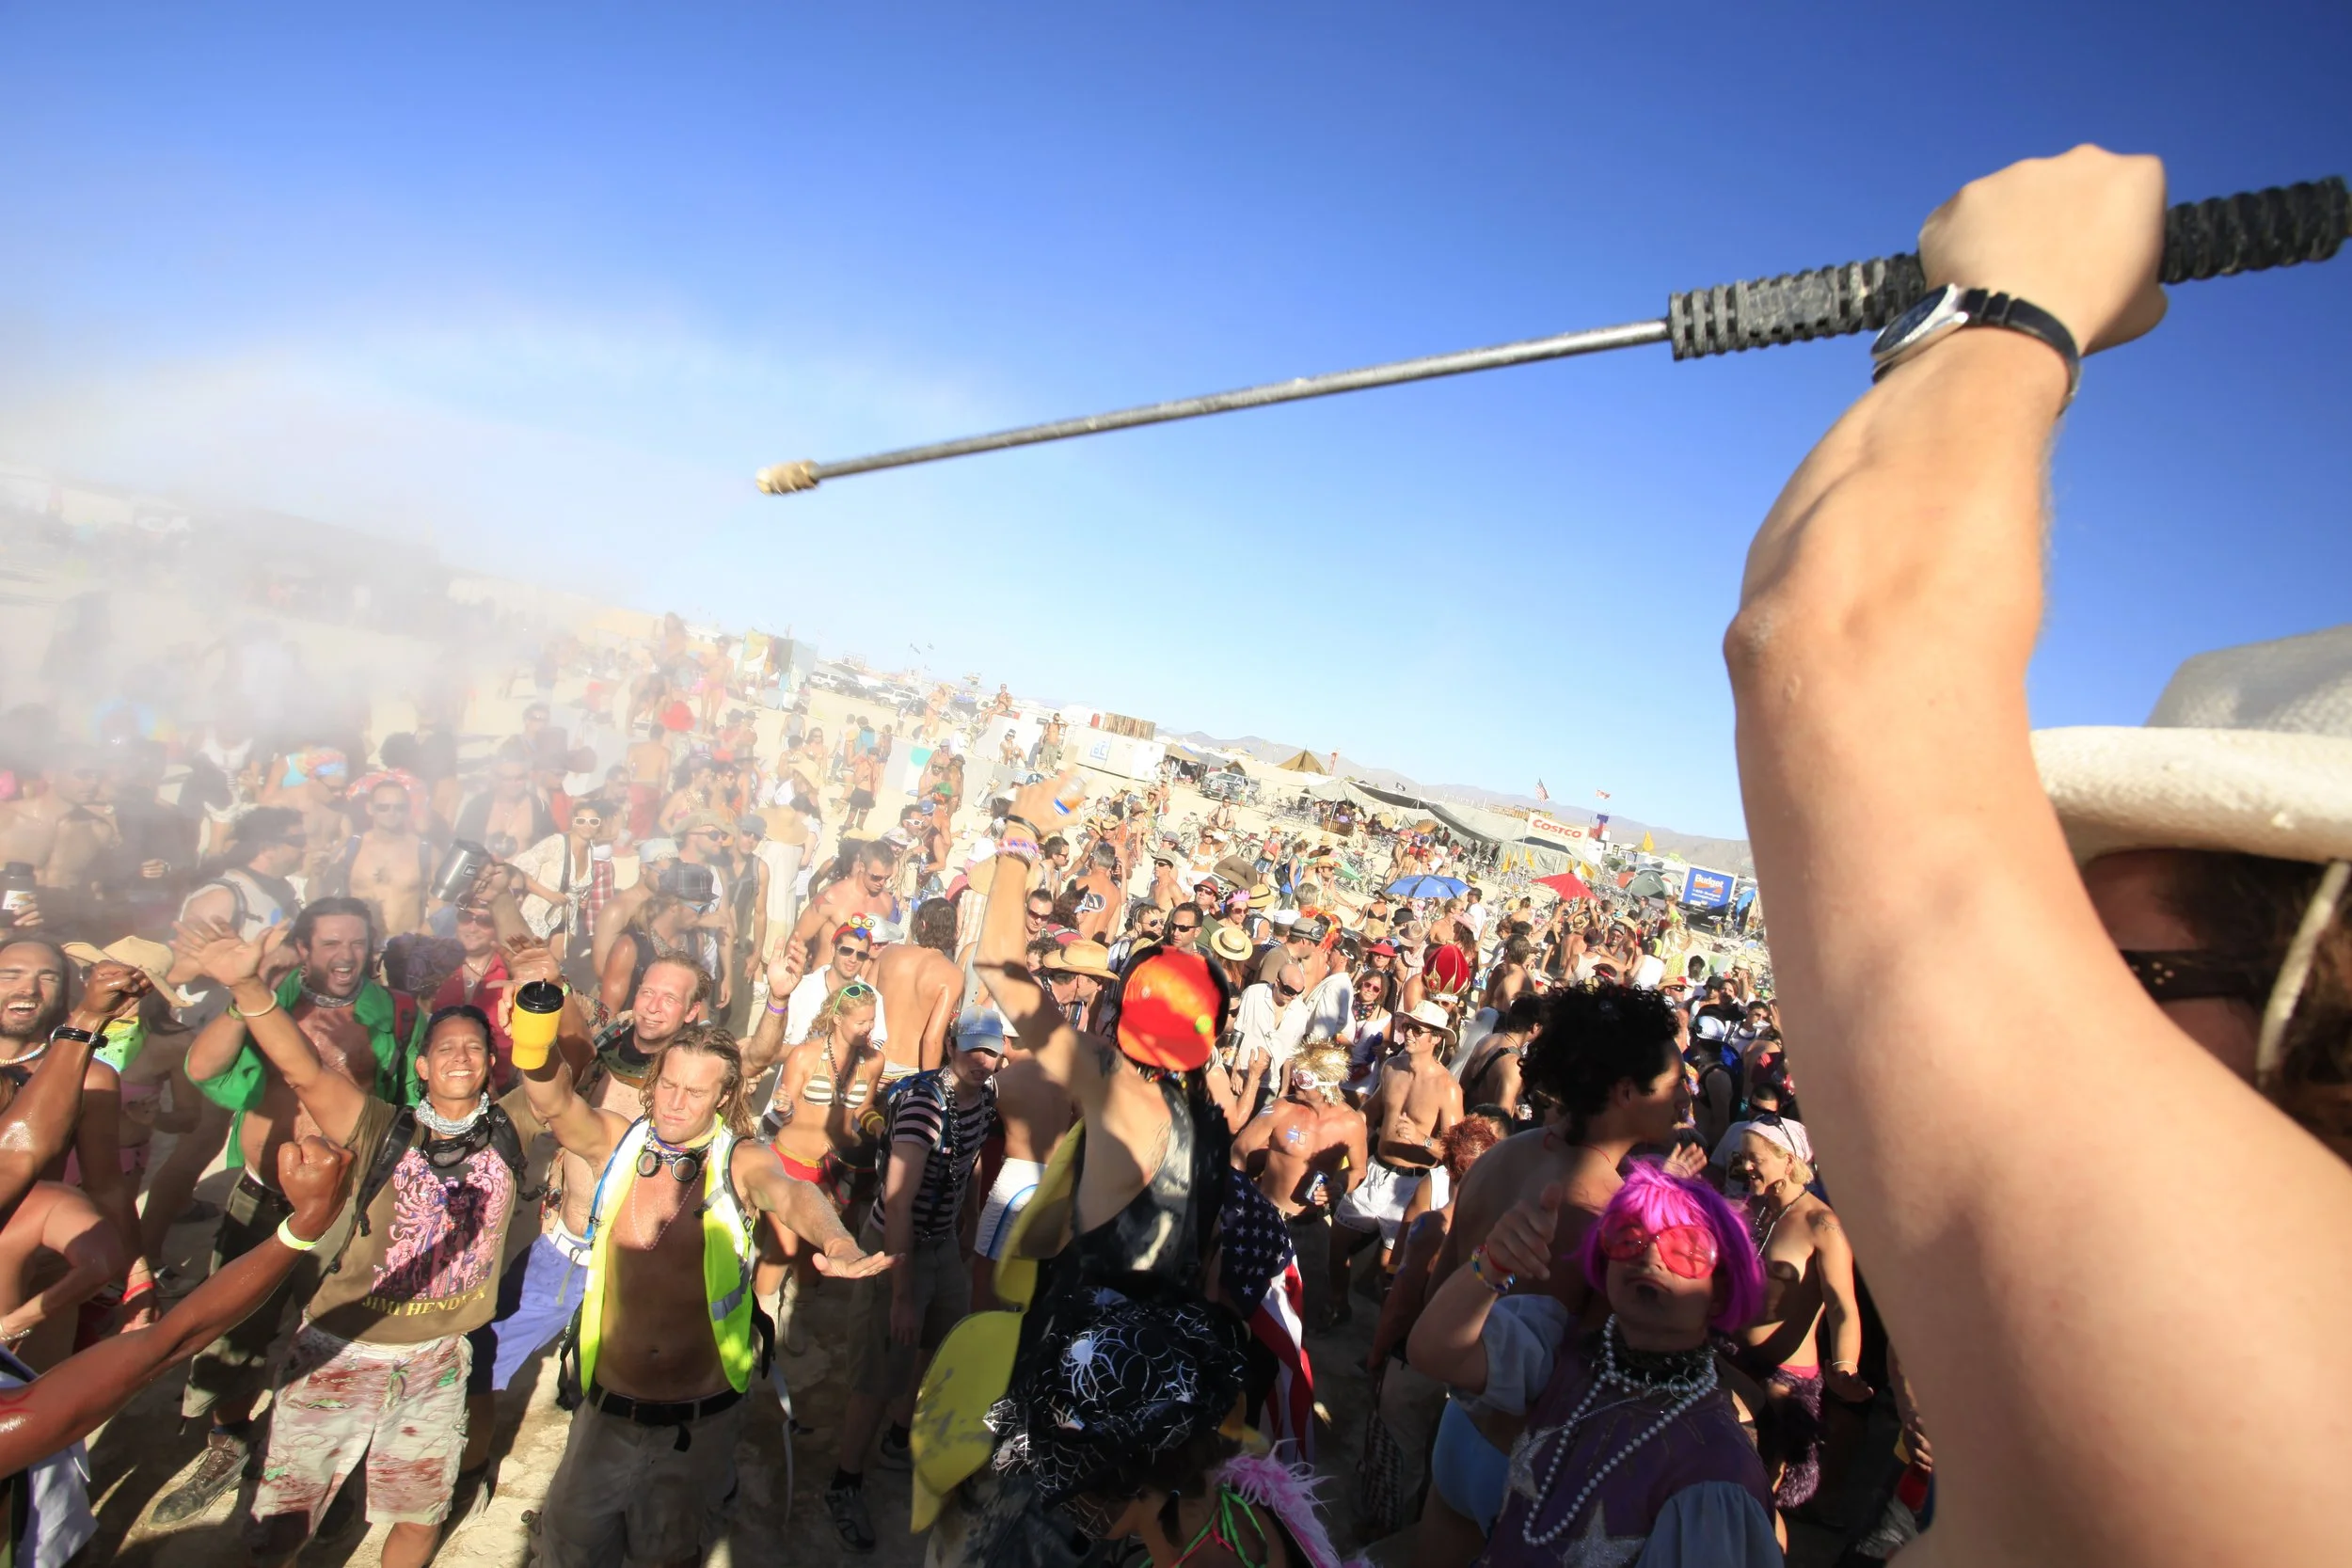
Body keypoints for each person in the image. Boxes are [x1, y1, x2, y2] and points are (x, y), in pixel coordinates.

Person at [1719, 147, 2352, 1562]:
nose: (2057, 986)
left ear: (2318, 990)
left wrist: (2017, 304)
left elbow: (1839, 637)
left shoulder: (2298, 1367)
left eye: (2126, 967)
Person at [183, 913, 544, 1565]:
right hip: (340, 1349)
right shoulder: (382, 1124)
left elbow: (560, 1072)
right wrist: (247, 985)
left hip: (436, 1359)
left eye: (476, 1046)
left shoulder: (511, 1124)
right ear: (425, 1065)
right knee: (287, 1521)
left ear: (492, 1063)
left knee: (415, 1514)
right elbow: (302, 1069)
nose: (462, 1055)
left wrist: (546, 996)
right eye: (448, 1047)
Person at [519, 1016, 890, 1566]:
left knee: (668, 1554)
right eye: (667, 1084)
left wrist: (837, 1241)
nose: (674, 1103)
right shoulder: (616, 1145)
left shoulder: (739, 1160)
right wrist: (534, 1026)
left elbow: (789, 1194)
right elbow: (554, 1104)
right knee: (569, 1550)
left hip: (694, 1429)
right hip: (603, 1415)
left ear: (724, 1096)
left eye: (695, 1092)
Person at [157, 897, 421, 1526]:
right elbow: (203, 1068)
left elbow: (409, 1102)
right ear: (303, 949)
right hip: (262, 1196)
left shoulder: (398, 1011)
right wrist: (245, 989)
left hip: (345, 1202)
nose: (345, 955)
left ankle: (319, 1462)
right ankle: (229, 1444)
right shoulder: (266, 1001)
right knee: (235, 1329)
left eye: (356, 942)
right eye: (329, 943)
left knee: (334, 1332)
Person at [1407, 1163, 1776, 1564]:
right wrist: (1492, 1263)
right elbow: (1435, 1352)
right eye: (1628, 1237)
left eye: (1686, 1249)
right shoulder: (1558, 1349)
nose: (1650, 1255)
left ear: (1721, 1293)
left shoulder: (1716, 1469)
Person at [823, 1006, 1005, 1552]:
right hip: (897, 1248)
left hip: (942, 1243)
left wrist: (968, 1223)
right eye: (973, 1048)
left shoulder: (986, 1098)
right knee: (878, 1369)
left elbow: (970, 1160)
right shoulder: (924, 1105)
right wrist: (900, 1292)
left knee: (938, 1344)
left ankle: (900, 1441)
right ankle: (845, 1482)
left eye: (991, 1051)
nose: (981, 1060)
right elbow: (898, 1205)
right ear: (953, 1045)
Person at [1728, 1117, 1864, 1513]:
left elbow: (1842, 1304)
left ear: (1788, 1161)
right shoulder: (1752, 1210)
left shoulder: (1822, 1224)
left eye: (1754, 1159)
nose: (1744, 1167)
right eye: (1741, 1158)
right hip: (1735, 1361)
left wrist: (1845, 1365)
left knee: (1758, 1501)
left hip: (1784, 1381)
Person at [1328, 1000, 1462, 1322]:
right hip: (1376, 1169)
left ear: (1436, 1038)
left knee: (1392, 1270)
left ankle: (1378, 1342)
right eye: (1407, 1026)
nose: (1409, 1033)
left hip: (1412, 1186)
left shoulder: (1448, 1088)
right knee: (1336, 1245)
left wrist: (1422, 1139)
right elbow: (1371, 1112)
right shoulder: (1391, 1067)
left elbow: (1457, 1152)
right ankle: (1339, 1306)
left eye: (1418, 1029)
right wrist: (1342, 1123)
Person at [1230, 1041, 1365, 1223]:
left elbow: (1359, 1170)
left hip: (1313, 1223)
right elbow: (1240, 1148)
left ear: (1325, 1084)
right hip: (1265, 1217)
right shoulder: (1281, 1109)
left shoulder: (1351, 1123)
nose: (1294, 1082)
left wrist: (1339, 1185)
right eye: (1295, 1074)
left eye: (1303, 1079)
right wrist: (1238, 1194)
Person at [323, 779, 436, 939]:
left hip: (407, 945)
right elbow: (321, 896)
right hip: (359, 944)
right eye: (383, 807)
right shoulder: (350, 848)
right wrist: (317, 874)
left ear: (408, 810)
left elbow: (440, 905)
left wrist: (422, 939)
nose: (391, 812)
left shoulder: (425, 851)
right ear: (369, 808)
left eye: (399, 807)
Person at [867, 896, 961, 1079]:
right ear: (952, 932)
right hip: (909, 1070)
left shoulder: (889, 952)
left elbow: (862, 1002)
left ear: (923, 924)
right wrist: (928, 1085)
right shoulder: (952, 974)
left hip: (871, 1059)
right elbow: (932, 1039)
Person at [1040, 940, 1119, 1034]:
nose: (1100, 988)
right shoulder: (1031, 993)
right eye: (1100, 981)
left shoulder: (1079, 1015)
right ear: (1081, 980)